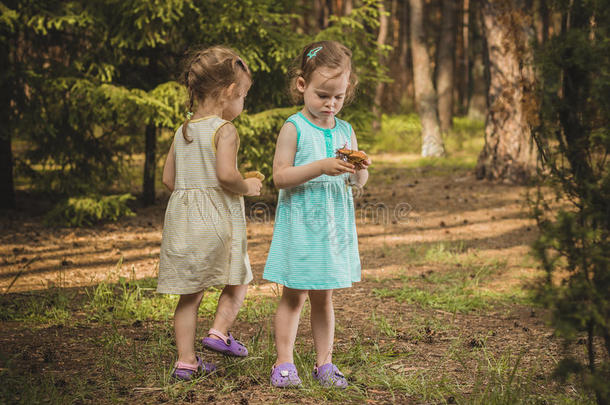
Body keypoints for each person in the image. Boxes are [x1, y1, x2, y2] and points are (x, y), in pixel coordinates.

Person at [263, 41, 371, 388]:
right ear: (301, 86)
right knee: (294, 294)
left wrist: (360, 169)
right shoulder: (294, 127)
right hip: (301, 225)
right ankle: (284, 363)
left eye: (338, 97)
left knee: (324, 296)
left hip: (332, 227)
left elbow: (359, 180)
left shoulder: (345, 130)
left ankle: (324, 363)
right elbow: (280, 176)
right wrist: (321, 166)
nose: (330, 104)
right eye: (323, 95)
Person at [157, 46, 262, 381]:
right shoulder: (224, 130)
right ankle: (219, 331)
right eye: (243, 94)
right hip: (217, 223)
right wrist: (247, 186)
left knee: (190, 295)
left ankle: (186, 362)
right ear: (230, 92)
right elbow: (226, 176)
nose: (242, 102)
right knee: (238, 278)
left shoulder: (183, 129)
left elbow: (168, 179)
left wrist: (192, 196)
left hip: (183, 224)